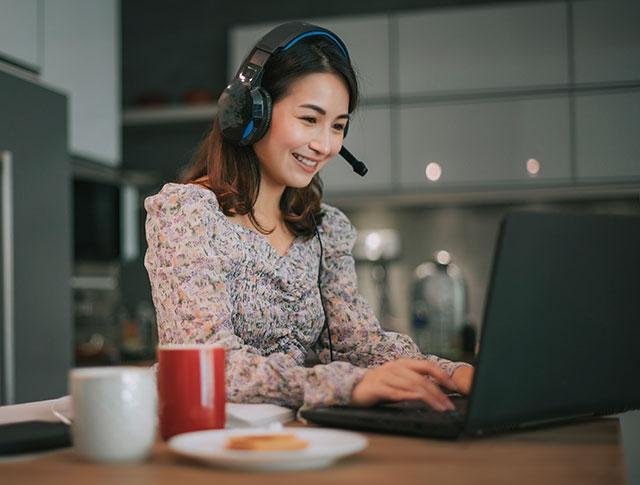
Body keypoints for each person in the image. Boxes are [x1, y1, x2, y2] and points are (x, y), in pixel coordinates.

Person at [144, 22, 474, 412]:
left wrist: (448, 373)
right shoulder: (188, 213)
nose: (324, 145)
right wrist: (348, 385)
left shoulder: (324, 229)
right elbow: (208, 365)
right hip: (207, 434)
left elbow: (357, 343)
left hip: (290, 435)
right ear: (251, 112)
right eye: (309, 119)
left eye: (338, 127)